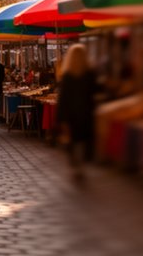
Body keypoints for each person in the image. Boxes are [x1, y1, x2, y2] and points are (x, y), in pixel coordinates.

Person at [56, 43, 97, 184]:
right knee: (84, 140)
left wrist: (61, 117)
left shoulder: (67, 76)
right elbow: (94, 93)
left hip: (71, 113)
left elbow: (63, 98)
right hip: (86, 112)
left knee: (72, 140)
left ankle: (75, 165)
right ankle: (82, 164)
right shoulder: (90, 75)